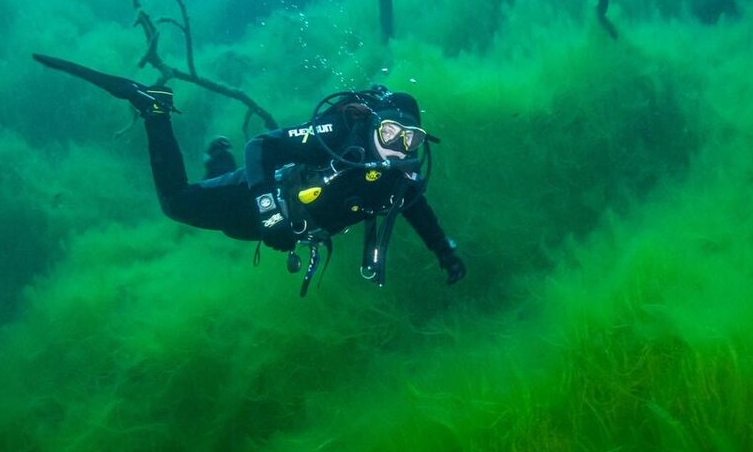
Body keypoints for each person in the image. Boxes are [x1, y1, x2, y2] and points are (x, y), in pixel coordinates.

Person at [33, 53, 466, 294]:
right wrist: (273, 215)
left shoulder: (399, 175)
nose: (397, 147)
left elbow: (415, 206)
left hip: (273, 224)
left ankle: (216, 161)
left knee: (233, 229)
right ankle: (154, 107)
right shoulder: (337, 131)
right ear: (373, 123)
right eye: (390, 132)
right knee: (177, 204)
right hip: (256, 196)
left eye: (410, 140)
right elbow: (262, 145)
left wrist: (443, 250)